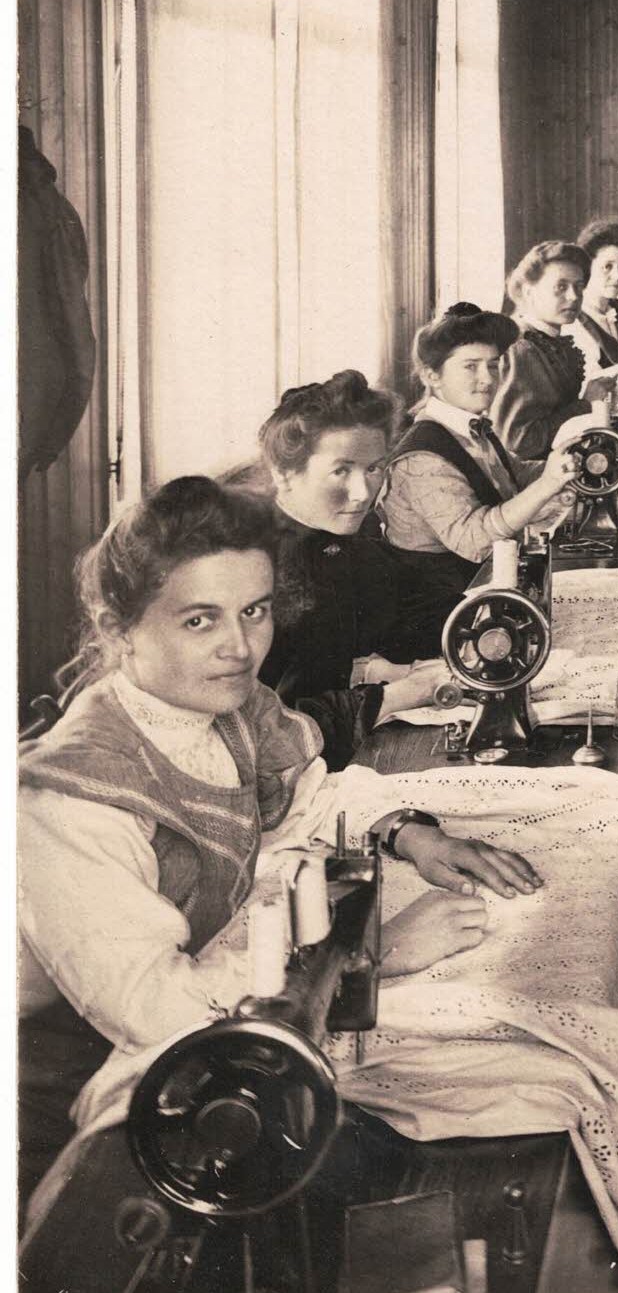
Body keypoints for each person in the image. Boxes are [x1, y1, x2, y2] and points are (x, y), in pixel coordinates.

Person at [16, 477, 544, 1204]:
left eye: (255, 611)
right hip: (79, 1107)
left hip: (212, 1017)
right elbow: (158, 1011)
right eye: (198, 620)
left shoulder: (223, 705)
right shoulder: (71, 795)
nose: (239, 647)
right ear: (120, 628)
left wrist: (409, 833)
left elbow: (309, 798)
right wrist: (372, 954)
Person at [254, 373, 454, 769]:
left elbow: (409, 610)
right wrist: (404, 692)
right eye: (341, 471)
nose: (363, 493)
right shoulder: (256, 572)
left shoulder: (340, 540)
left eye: (374, 468)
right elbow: (269, 736)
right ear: (283, 473)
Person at [380, 304, 581, 623]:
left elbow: (516, 472)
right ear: (432, 376)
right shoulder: (422, 458)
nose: (487, 379)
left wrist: (572, 463)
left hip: (483, 594)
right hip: (442, 617)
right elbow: (474, 541)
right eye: (470, 367)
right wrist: (548, 485)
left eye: (493, 365)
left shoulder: (470, 426)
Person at [490, 240, 593, 460]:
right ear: (529, 292)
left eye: (579, 286)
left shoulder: (545, 340)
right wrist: (587, 404)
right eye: (561, 287)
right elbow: (519, 443)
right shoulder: (521, 348)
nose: (574, 296)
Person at [572, 219, 618, 370]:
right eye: (607, 266)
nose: (617, 276)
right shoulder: (573, 321)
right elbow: (590, 380)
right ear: (586, 267)